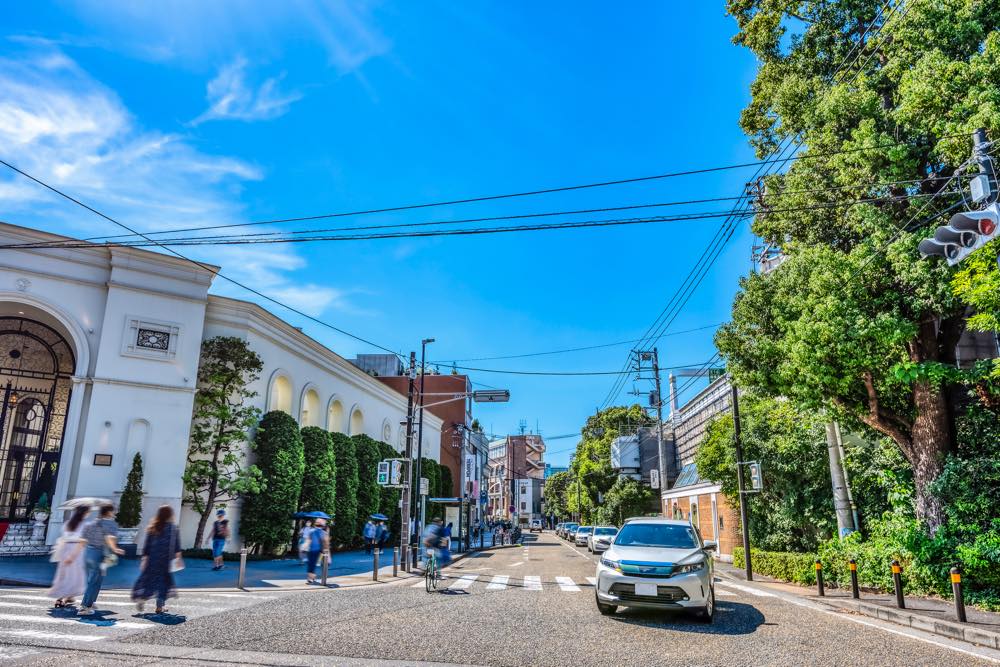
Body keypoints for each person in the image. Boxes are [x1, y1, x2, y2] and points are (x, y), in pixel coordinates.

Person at [132, 504, 182, 614]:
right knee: (163, 583)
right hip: (165, 561)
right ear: (170, 514)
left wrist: (144, 560)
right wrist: (179, 558)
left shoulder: (153, 527)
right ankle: (159, 607)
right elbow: (176, 546)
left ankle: (142, 598)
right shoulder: (173, 528)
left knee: (149, 581)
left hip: (152, 560)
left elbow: (147, 545)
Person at [79, 503, 124, 616]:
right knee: (95, 580)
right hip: (100, 553)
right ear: (108, 512)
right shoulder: (110, 523)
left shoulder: (91, 523)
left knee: (96, 578)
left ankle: (91, 601)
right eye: (113, 511)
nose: (114, 513)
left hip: (89, 552)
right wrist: (115, 548)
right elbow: (109, 538)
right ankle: (85, 606)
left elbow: (82, 540)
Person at [47, 505, 89, 608]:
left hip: (65, 549)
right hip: (76, 550)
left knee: (64, 574)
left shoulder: (68, 523)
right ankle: (61, 598)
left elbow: (64, 537)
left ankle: (68, 596)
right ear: (84, 513)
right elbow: (82, 542)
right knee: (74, 575)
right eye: (88, 511)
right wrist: (73, 556)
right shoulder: (85, 525)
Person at [305, 518, 330, 584]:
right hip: (319, 550)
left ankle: (311, 577)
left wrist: (306, 547)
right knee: (315, 564)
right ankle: (312, 577)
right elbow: (325, 543)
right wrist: (327, 551)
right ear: (322, 526)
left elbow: (308, 540)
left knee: (311, 564)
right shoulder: (323, 533)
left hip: (310, 550)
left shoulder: (311, 531)